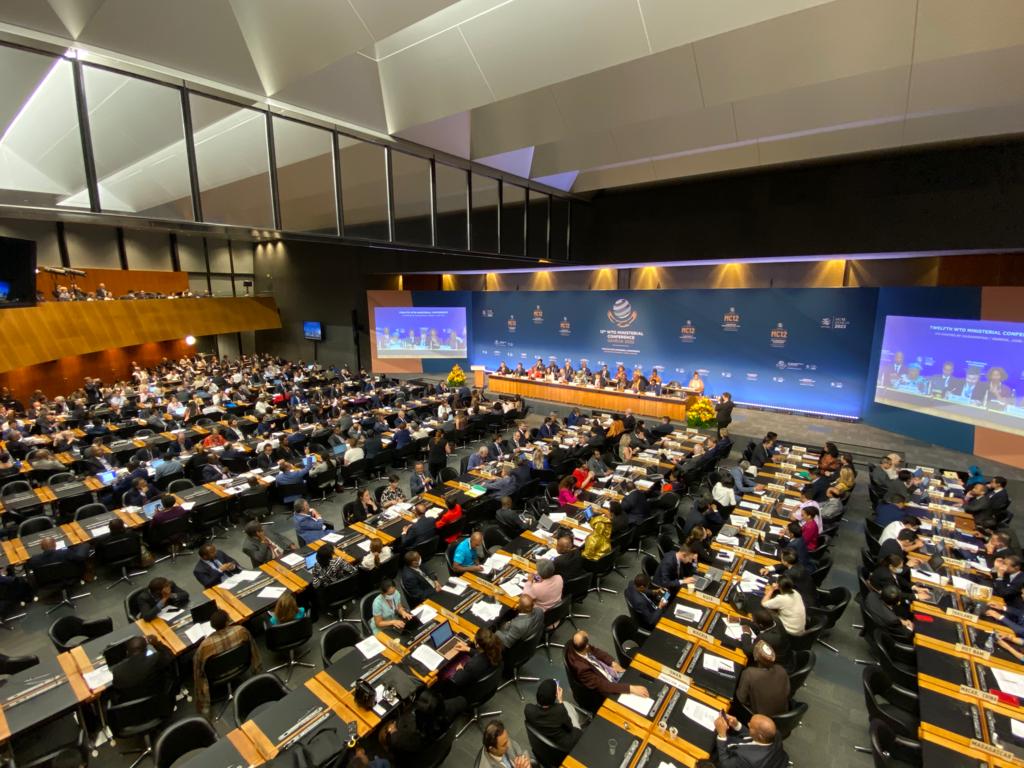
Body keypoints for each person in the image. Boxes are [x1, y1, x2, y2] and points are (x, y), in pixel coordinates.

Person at [193, 609, 260, 715]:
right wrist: (257, 669)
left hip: (217, 675)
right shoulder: (241, 631)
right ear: (227, 622)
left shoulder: (204, 646)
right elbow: (253, 648)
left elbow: (198, 670)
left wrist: (202, 700)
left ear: (212, 626)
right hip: (240, 665)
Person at [564, 630, 649, 700]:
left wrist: (612, 663)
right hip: (608, 686)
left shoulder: (577, 646)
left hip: (611, 673)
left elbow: (597, 651)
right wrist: (630, 689)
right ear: (586, 646)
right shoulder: (581, 669)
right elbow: (602, 685)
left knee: (643, 680)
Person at [523, 679, 583, 754]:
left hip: (544, 746)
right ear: (554, 697)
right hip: (565, 745)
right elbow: (569, 727)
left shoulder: (528, 709)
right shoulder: (559, 711)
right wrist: (560, 701)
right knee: (567, 706)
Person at [110, 635, 175, 702]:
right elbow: (170, 656)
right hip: (159, 699)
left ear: (127, 652)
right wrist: (156, 643)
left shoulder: (117, 671)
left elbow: (117, 688)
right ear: (146, 650)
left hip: (134, 704)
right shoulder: (155, 659)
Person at [736, 641, 790, 717]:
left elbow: (741, 699)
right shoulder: (781, 670)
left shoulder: (750, 673)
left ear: (755, 657)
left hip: (759, 718)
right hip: (782, 717)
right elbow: (787, 692)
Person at [713, 713, 788, 768]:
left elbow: (725, 764)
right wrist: (736, 725)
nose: (748, 724)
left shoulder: (749, 759)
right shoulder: (775, 734)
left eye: (751, 726)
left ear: (760, 736)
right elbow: (754, 735)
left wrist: (722, 735)